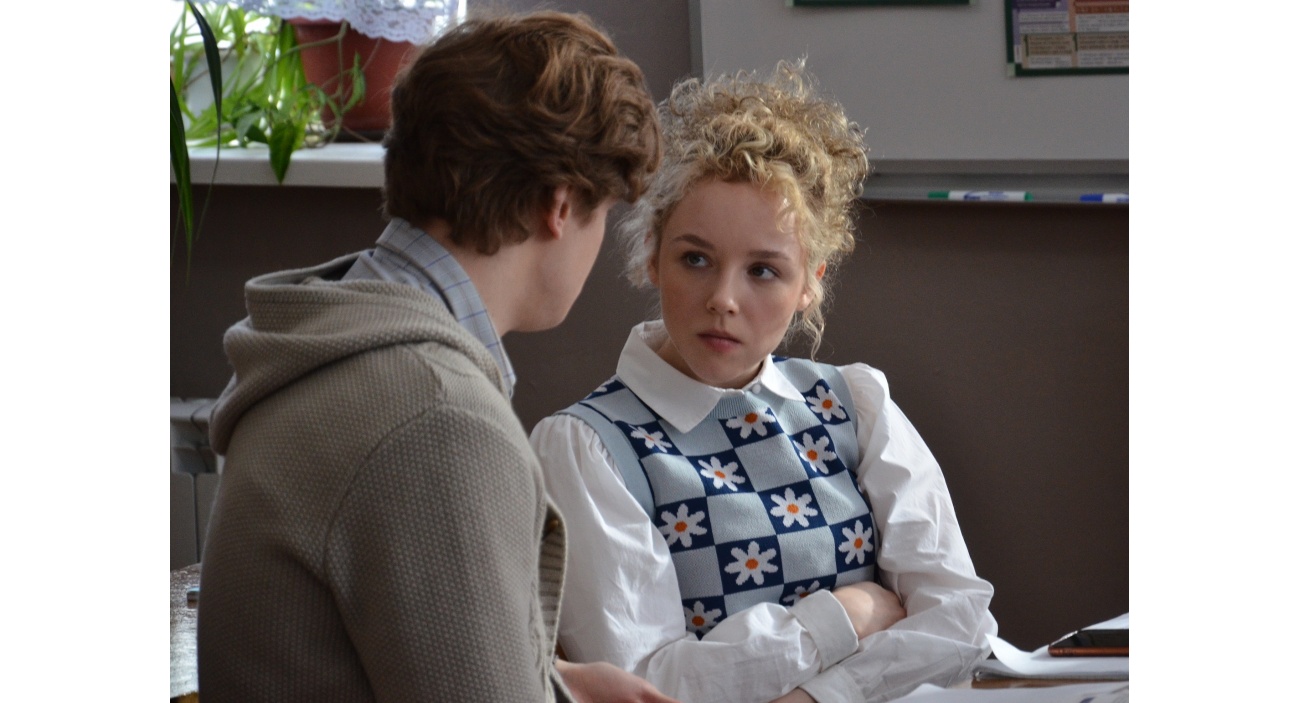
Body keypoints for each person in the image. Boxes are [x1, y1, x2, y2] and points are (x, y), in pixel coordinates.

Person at [197, 11, 677, 703]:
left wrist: (560, 685)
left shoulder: (337, 332)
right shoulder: (438, 420)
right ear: (560, 205)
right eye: (601, 213)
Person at [529, 61, 997, 703]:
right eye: (696, 258)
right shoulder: (589, 448)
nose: (723, 298)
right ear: (653, 256)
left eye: (764, 271)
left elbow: (961, 624)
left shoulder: (855, 406)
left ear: (810, 283)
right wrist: (847, 615)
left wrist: (816, 698)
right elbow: (648, 686)